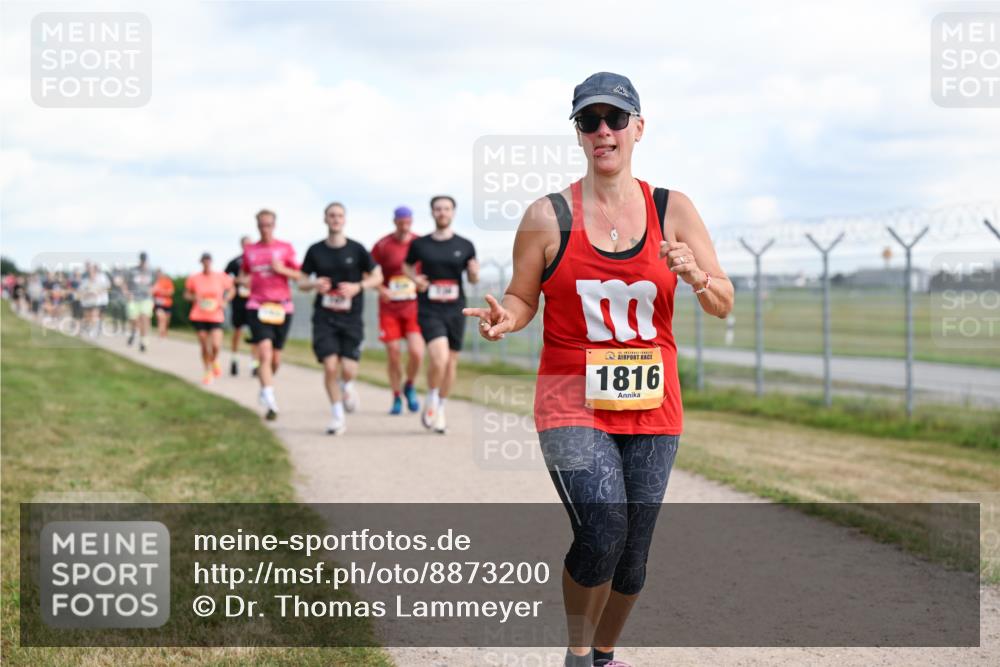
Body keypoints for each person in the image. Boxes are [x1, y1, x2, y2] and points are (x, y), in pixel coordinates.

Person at [463, 72, 734, 667]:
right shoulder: (547, 215)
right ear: (579, 135)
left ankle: (605, 654)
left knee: (634, 554)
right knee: (604, 527)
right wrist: (505, 319)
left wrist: (698, 276)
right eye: (590, 121)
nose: (603, 131)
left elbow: (723, 302)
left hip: (653, 405)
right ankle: (578, 654)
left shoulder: (674, 208)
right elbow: (522, 297)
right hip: (570, 401)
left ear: (639, 127)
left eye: (615, 119)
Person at [299, 202, 382, 435]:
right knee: (329, 367)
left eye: (339, 216)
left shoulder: (357, 250)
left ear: (345, 220)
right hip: (324, 318)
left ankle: (348, 385)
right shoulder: (315, 250)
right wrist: (314, 283)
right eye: (331, 215)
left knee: (348, 368)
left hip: (351, 318)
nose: (335, 219)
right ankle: (337, 416)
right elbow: (301, 281)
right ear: (325, 219)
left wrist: (358, 286)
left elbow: (377, 276)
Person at [403, 195, 478, 434]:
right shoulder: (420, 244)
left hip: (455, 308)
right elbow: (406, 266)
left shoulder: (465, 245)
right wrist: (415, 279)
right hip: (429, 308)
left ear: (453, 212)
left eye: (446, 209)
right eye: (438, 209)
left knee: (451, 362)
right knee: (439, 357)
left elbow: (473, 278)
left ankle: (442, 407)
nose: (442, 213)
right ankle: (432, 397)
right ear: (432, 213)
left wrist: (475, 272)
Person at [240, 209, 301, 420]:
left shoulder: (285, 248)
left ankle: (266, 385)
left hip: (282, 307)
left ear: (274, 225)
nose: (265, 228)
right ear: (257, 226)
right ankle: (271, 400)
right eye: (261, 225)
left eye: (268, 225)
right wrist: (243, 281)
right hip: (257, 305)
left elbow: (299, 275)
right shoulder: (250, 250)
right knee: (264, 352)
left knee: (275, 358)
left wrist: (282, 270)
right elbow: (244, 273)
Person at [371, 206, 424, 414]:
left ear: (411, 222)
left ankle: (409, 385)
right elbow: (369, 272)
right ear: (394, 222)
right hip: (389, 308)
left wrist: (421, 283)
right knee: (393, 353)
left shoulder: (419, 243)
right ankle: (395, 396)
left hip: (414, 307)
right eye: (400, 222)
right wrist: (380, 288)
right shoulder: (383, 245)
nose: (404, 225)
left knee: (417, 352)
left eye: (407, 222)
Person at [184, 253, 235, 385]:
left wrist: (225, 300)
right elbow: (186, 294)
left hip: (216, 314)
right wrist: (194, 298)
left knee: (216, 345)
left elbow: (231, 289)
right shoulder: (194, 278)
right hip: (199, 314)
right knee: (204, 345)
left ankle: (214, 360)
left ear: (211, 262)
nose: (206, 263)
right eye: (204, 261)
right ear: (201, 262)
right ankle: (207, 371)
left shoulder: (220, 277)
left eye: (208, 261)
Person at [225, 236, 257, 377]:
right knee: (237, 332)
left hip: (254, 301)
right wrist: (238, 280)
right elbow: (225, 278)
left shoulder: (258, 261)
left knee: (256, 334)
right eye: (246, 245)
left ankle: (255, 364)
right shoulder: (234, 262)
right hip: (239, 302)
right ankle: (234, 360)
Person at [124, 251, 155, 352]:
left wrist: (152, 290)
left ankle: (143, 341)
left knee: (144, 318)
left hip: (146, 299)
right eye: (142, 260)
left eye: (144, 260)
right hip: (134, 299)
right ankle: (133, 333)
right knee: (134, 321)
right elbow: (125, 283)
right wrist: (127, 293)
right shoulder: (132, 271)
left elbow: (155, 284)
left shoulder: (151, 272)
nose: (143, 262)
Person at [78, 263, 111, 338]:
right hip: (86, 302)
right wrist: (86, 294)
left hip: (97, 301)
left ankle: (94, 330)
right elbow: (80, 291)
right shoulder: (85, 281)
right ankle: (88, 327)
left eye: (92, 271)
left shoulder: (101, 278)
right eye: (90, 271)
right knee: (87, 317)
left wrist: (99, 292)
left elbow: (107, 287)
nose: (91, 273)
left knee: (94, 315)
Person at [152, 269, 175, 337]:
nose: (158, 275)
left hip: (167, 304)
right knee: (161, 318)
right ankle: (160, 333)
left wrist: (162, 292)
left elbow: (171, 292)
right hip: (158, 304)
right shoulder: (154, 282)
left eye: (159, 274)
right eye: (157, 274)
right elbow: (152, 292)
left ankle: (165, 331)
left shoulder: (167, 281)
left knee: (167, 320)